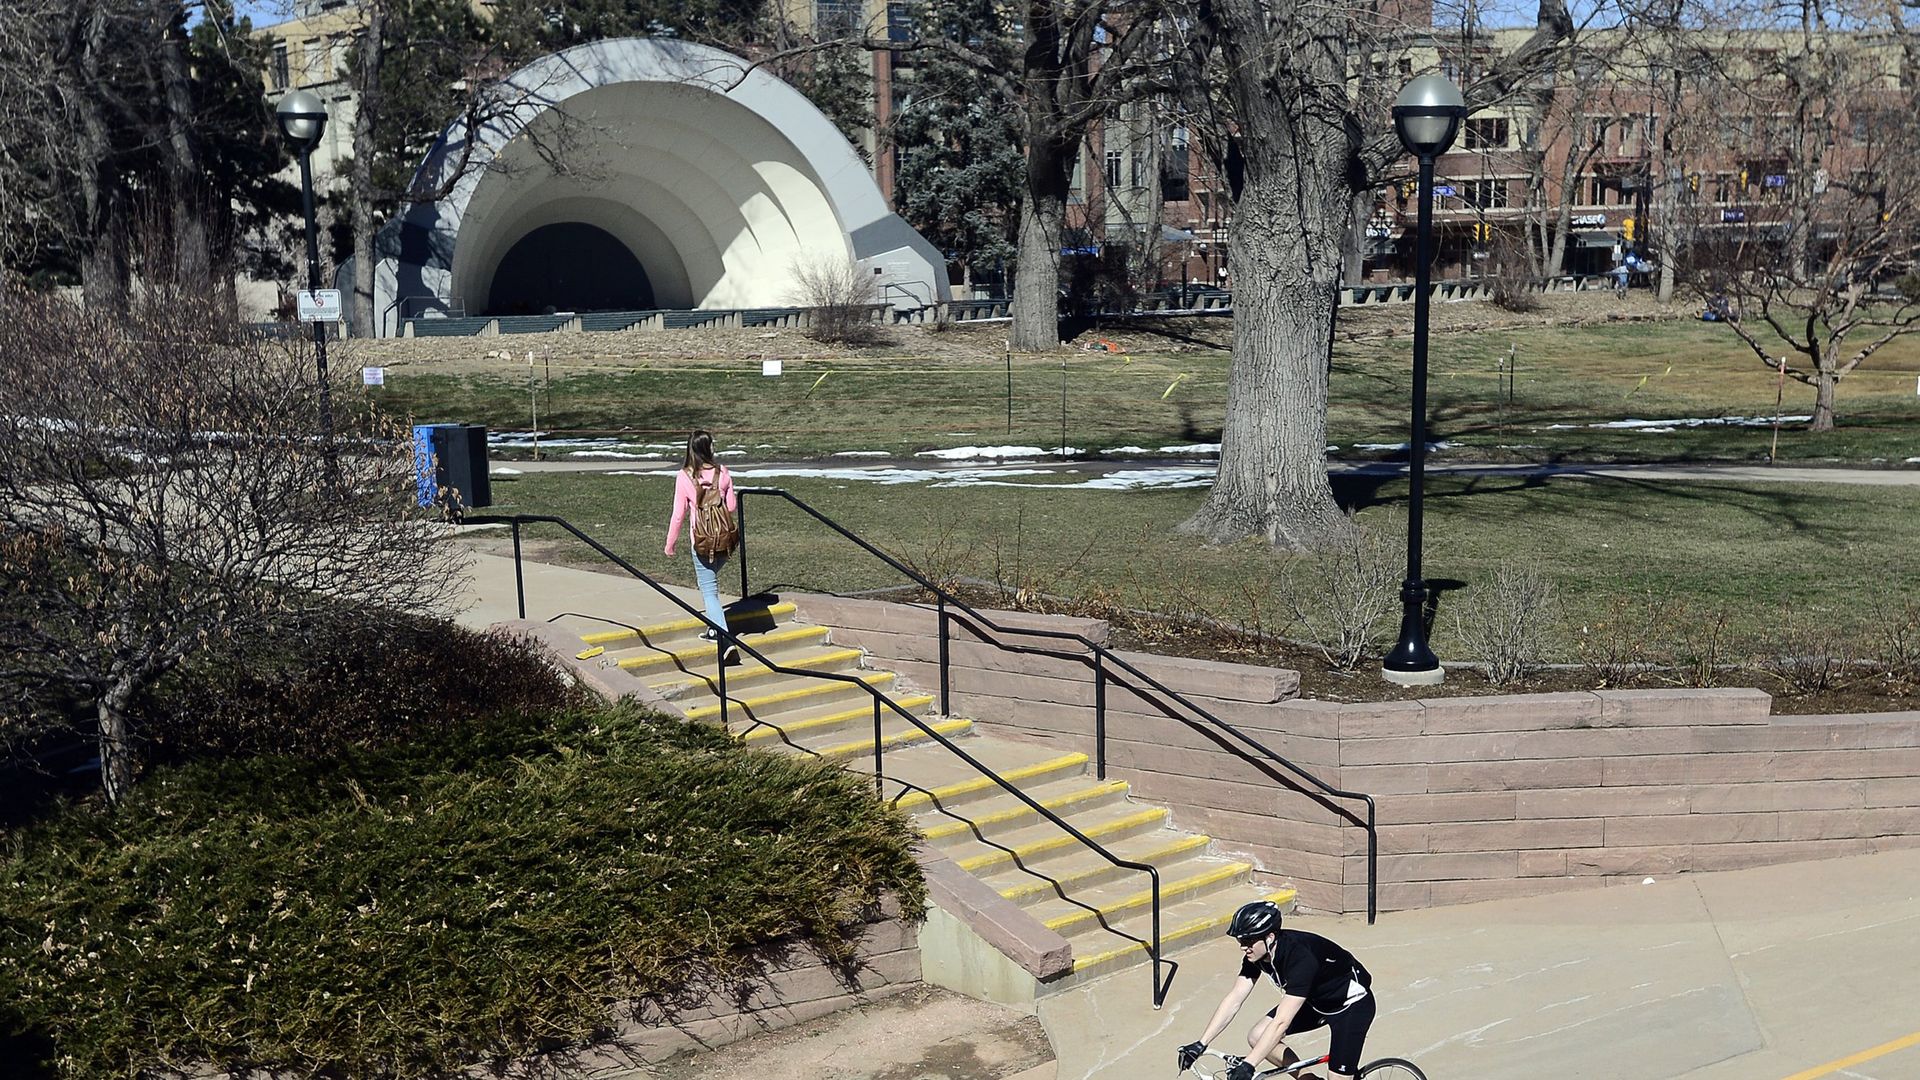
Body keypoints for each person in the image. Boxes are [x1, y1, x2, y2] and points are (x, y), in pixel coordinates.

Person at [1176, 901, 1376, 1080]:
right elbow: (1235, 997)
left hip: (1350, 1007)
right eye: (1240, 942)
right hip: (1316, 1002)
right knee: (1257, 1036)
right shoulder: (1256, 955)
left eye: (1248, 942)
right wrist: (1201, 1043)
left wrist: (1249, 1065)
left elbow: (1281, 1022)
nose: (1243, 948)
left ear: (1270, 937)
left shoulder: (1301, 958)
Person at [664, 429, 738, 662]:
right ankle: (714, 627)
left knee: (709, 591)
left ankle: (725, 639)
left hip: (702, 542)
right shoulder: (723, 473)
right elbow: (732, 506)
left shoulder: (684, 477)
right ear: (708, 448)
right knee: (711, 586)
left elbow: (678, 515)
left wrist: (670, 544)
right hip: (725, 541)